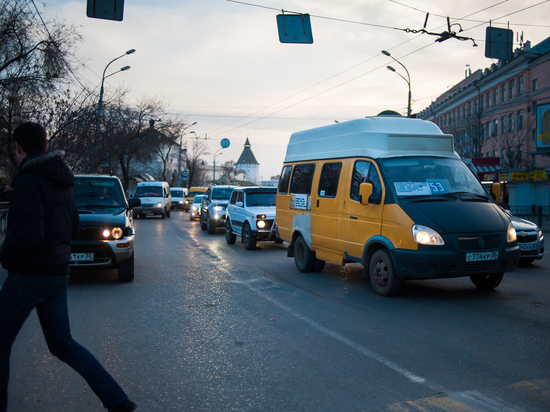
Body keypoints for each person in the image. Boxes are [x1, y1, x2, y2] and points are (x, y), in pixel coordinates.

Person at [0, 122, 137, 412]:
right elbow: (73, 225)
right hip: (58, 272)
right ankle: (119, 402)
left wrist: (5, 256)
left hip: (30, 273)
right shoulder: (62, 179)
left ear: (18, 147)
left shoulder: (28, 181)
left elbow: (27, 236)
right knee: (63, 344)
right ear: (45, 144)